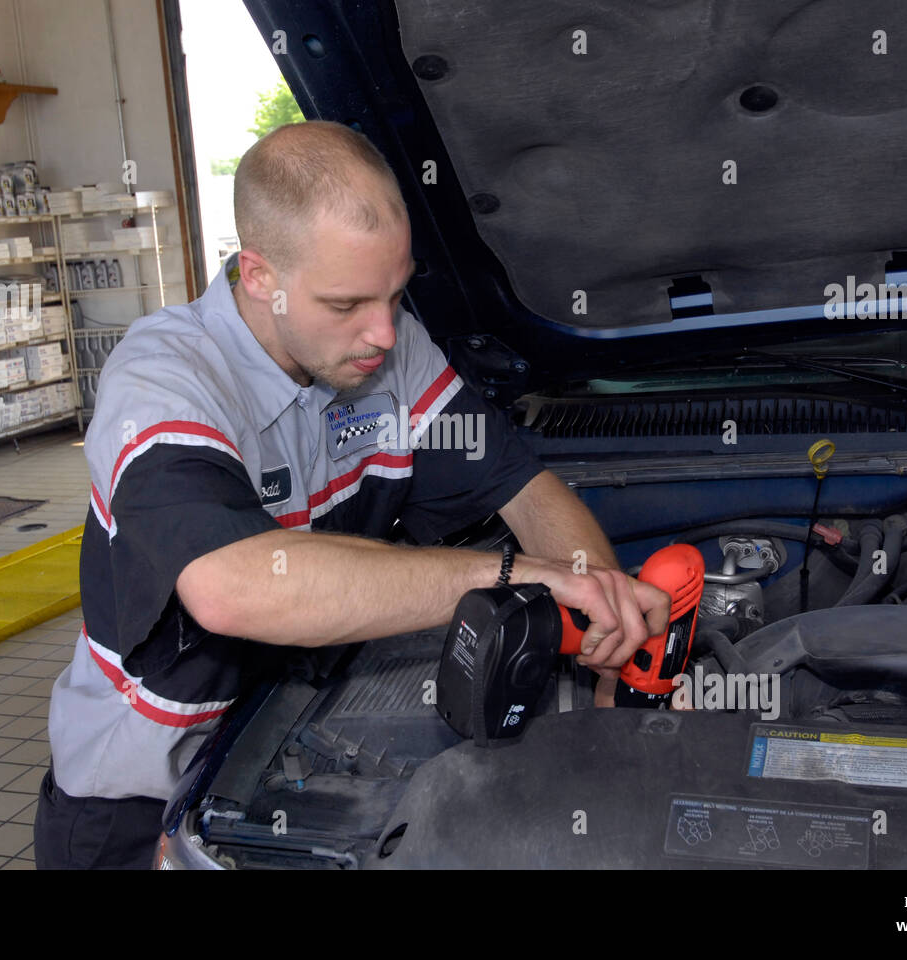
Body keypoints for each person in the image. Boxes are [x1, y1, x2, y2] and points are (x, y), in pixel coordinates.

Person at [34, 120, 669, 869]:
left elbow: (519, 487)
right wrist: (519, 576)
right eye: (346, 304)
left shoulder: (390, 353)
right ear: (259, 276)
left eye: (395, 294)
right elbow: (233, 588)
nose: (383, 334)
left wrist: (600, 604)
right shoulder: (165, 379)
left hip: (296, 752)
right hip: (139, 806)